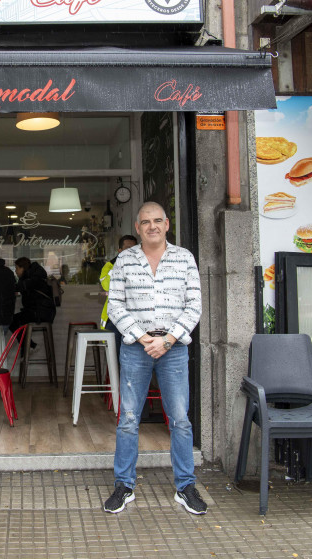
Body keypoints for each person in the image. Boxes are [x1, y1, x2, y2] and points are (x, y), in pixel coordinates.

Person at [103, 201, 206, 516]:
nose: (152, 226)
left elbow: (194, 305)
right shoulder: (125, 260)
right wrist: (144, 337)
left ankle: (186, 486)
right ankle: (124, 485)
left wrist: (169, 339)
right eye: (145, 222)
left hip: (173, 349)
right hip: (137, 347)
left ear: (167, 224)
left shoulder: (184, 258)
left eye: (157, 220)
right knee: (129, 419)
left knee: (180, 419)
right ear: (137, 227)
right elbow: (116, 304)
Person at [99, 234, 138, 352]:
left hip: (136, 318)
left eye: (134, 248)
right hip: (114, 317)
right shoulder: (110, 265)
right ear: (119, 251)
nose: (131, 252)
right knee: (114, 356)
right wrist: (120, 264)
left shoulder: (142, 266)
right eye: (127, 249)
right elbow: (106, 285)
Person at [9, 257, 56, 335]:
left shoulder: (33, 279)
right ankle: (27, 344)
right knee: (13, 321)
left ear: (22, 268)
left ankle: (26, 345)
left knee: (11, 321)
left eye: (17, 268)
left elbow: (20, 287)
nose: (16, 271)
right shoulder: (33, 276)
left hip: (40, 313)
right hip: (42, 312)